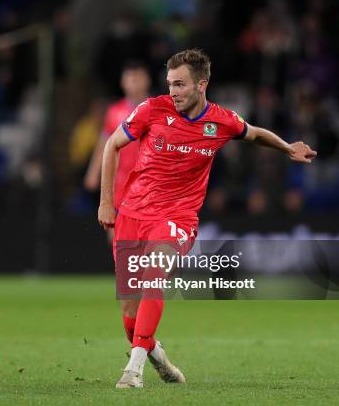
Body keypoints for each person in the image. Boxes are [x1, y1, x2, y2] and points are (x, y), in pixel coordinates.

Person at [98, 49, 316, 388]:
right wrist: (106, 203)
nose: (173, 91)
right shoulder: (153, 110)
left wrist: (287, 147)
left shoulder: (222, 121)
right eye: (170, 83)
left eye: (180, 84)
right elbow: (111, 145)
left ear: (202, 84)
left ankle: (134, 369)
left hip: (177, 217)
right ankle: (155, 353)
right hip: (132, 214)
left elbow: (255, 133)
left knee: (156, 274)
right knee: (129, 315)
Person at [84, 60, 150, 239]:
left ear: (147, 81)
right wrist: (93, 171)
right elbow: (104, 143)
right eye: (130, 78)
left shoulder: (156, 109)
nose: (134, 82)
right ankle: (124, 265)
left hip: (149, 181)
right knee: (116, 234)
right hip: (121, 181)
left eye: (138, 78)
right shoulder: (114, 111)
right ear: (123, 82)